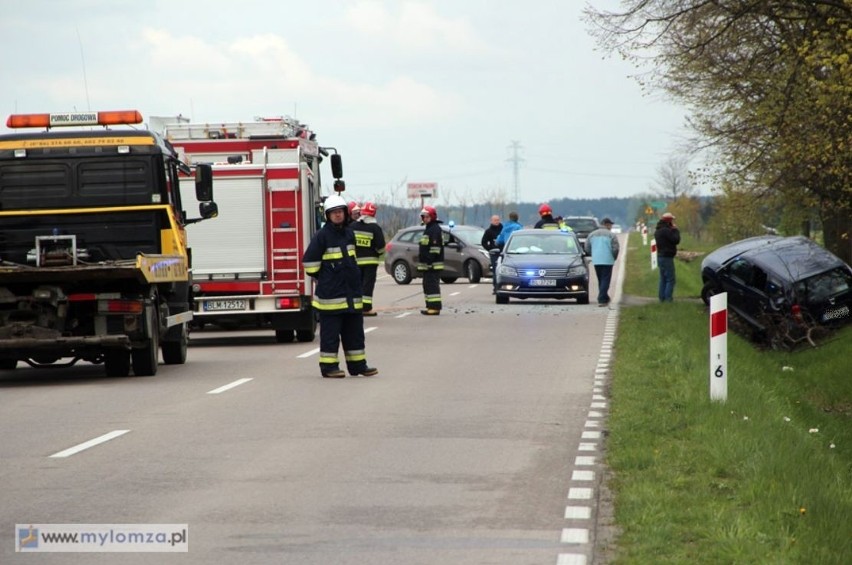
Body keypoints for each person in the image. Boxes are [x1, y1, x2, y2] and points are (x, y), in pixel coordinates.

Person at [302, 195, 377, 378]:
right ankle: (329, 368)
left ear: (345, 213)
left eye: (340, 212)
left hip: (351, 295)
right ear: (327, 215)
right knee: (330, 336)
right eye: (333, 213)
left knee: (355, 334)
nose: (337, 215)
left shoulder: (350, 234)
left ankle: (358, 365)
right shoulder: (322, 236)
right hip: (331, 298)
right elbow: (309, 264)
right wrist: (326, 276)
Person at [352, 201, 385, 316]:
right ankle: (366, 308)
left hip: (355, 262)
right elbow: (381, 247)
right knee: (368, 285)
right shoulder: (375, 228)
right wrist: (377, 252)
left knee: (357, 284)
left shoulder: (353, 226)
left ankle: (356, 307)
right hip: (371, 262)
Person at [585, 217, 620, 307]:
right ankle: (601, 299)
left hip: (596, 260)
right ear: (606, 224)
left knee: (601, 279)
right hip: (608, 260)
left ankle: (605, 297)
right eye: (610, 225)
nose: (611, 226)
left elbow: (587, 247)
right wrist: (614, 257)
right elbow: (615, 248)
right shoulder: (611, 235)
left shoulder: (592, 234)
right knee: (605, 280)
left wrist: (593, 254)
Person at [418, 205, 444, 315]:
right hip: (428, 265)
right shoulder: (429, 228)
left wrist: (429, 262)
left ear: (432, 217)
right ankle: (430, 306)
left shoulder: (434, 229)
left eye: (427, 217)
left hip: (432, 265)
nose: (424, 219)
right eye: (423, 217)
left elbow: (435, 249)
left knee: (432, 286)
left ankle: (434, 307)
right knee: (427, 285)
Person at [654, 212, 681, 302]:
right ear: (669, 221)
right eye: (672, 220)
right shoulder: (666, 230)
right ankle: (668, 299)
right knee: (670, 279)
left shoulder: (658, 230)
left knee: (663, 279)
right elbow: (676, 240)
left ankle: (661, 298)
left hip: (660, 256)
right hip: (667, 257)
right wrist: (675, 230)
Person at [481, 214, 503, 293]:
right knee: (495, 270)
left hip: (503, 253)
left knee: (503, 270)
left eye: (498, 220)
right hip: (494, 254)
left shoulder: (503, 229)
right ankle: (495, 287)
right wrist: (490, 249)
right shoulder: (488, 231)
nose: (497, 222)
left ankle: (503, 286)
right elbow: (483, 242)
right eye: (495, 220)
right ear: (491, 221)